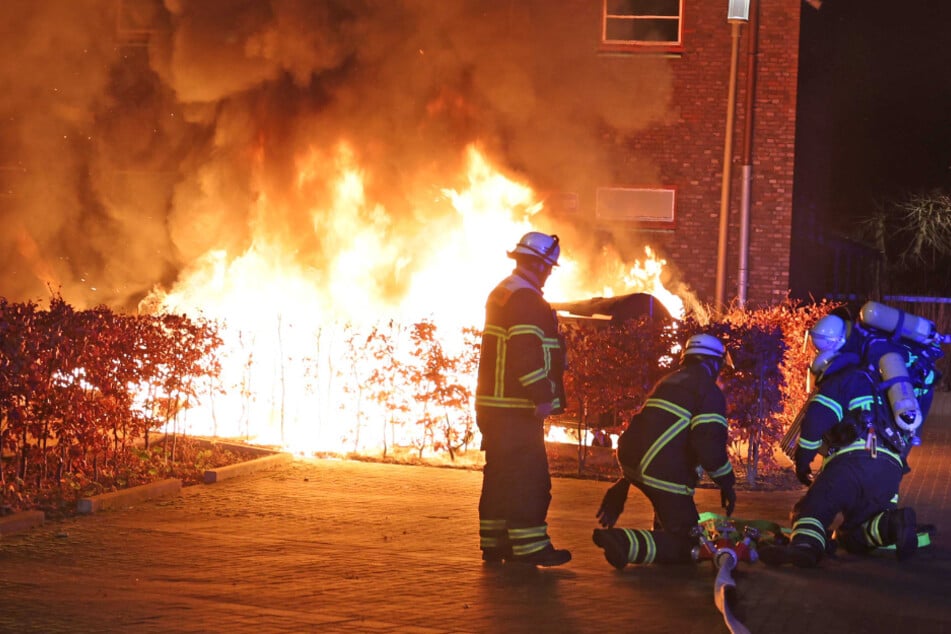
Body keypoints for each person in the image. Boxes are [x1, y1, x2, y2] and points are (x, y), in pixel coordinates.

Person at [758, 344, 919, 567]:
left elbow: (815, 421)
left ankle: (804, 547)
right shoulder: (884, 387)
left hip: (850, 466)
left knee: (812, 509)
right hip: (889, 472)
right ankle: (894, 523)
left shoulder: (841, 380)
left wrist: (803, 461)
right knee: (856, 532)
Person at [591, 333, 737, 569]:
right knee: (689, 543)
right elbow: (709, 446)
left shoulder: (669, 381)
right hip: (662, 471)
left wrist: (624, 482)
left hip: (635, 461)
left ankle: (661, 531)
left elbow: (651, 433)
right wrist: (727, 482)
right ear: (712, 362)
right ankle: (622, 542)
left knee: (673, 518)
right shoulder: (708, 391)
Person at [475, 231, 571, 567]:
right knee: (529, 478)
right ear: (540, 265)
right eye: (548, 268)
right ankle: (530, 546)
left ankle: (496, 542)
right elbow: (524, 352)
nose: (548, 274)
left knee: (501, 475)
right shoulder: (526, 299)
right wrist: (541, 394)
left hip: (495, 406)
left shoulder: (505, 291)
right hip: (516, 408)